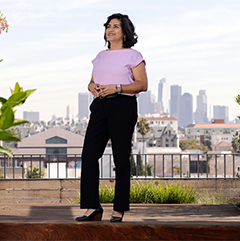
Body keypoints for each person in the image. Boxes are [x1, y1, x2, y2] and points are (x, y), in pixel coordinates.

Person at [75, 13, 148, 222]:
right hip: (99, 106)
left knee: (120, 158)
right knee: (89, 155)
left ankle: (119, 209)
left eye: (115, 26)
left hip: (123, 105)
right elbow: (91, 81)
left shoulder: (133, 55)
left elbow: (142, 84)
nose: (110, 29)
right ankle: (92, 207)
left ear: (125, 32)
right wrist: (92, 88)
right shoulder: (100, 55)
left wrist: (117, 87)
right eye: (108, 26)